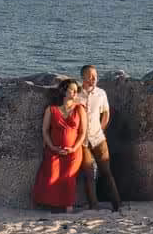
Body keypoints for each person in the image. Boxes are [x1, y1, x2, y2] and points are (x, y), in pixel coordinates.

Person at [31, 78, 86, 213]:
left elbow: (83, 132)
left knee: (69, 178)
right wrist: (52, 147)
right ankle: (53, 205)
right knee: (51, 176)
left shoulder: (79, 109)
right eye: (71, 90)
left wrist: (74, 148)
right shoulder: (51, 109)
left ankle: (68, 206)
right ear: (63, 91)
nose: (73, 93)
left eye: (75, 91)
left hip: (74, 151)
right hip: (54, 150)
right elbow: (45, 130)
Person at [76, 64, 122, 212]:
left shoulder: (101, 93)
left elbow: (106, 113)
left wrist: (100, 129)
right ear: (83, 77)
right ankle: (93, 205)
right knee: (89, 174)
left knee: (106, 172)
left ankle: (117, 204)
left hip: (99, 139)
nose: (93, 78)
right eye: (90, 76)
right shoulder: (76, 94)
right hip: (83, 142)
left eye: (95, 75)